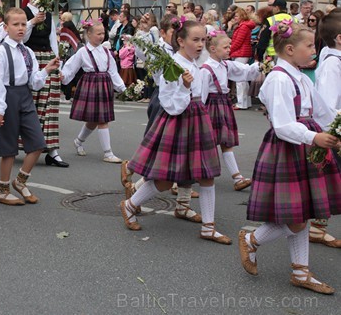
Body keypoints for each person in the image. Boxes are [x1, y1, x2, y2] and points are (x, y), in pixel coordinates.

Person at [239, 20, 340, 294]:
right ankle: (252, 239)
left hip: (304, 146)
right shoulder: (280, 78)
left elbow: (320, 111)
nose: (314, 50)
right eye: (310, 46)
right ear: (291, 49)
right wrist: (314, 137)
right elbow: (283, 125)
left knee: (303, 212)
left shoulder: (297, 75)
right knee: (296, 216)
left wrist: (335, 130)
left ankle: (300, 271)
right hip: (288, 148)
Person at [122, 20, 230, 244]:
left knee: (206, 174)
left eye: (203, 40)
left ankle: (209, 227)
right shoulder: (173, 65)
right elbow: (170, 104)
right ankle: (130, 204)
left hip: (197, 118)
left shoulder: (196, 62)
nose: (201, 45)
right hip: (179, 121)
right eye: (195, 40)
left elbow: (203, 94)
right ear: (181, 41)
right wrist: (185, 87)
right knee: (164, 179)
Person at [0, 8, 60, 205]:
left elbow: (33, 82)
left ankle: (20, 181)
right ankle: (2, 190)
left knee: (38, 143)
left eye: (23, 24)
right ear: (6, 27)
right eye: (16, 24)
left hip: (25, 96)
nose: (20, 28)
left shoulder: (27, 52)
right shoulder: (2, 51)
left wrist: (46, 70)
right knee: (8, 148)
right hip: (7, 96)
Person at [201, 31, 261, 191]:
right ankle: (190, 174)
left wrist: (260, 65)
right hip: (211, 107)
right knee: (206, 144)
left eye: (229, 46)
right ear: (213, 49)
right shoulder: (206, 70)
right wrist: (201, 115)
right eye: (226, 47)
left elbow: (245, 71)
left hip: (223, 105)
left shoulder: (226, 65)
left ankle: (237, 178)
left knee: (226, 143)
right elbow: (201, 96)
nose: (229, 49)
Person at [62, 19, 126, 161]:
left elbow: (112, 71)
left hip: (104, 85)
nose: (101, 36)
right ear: (89, 34)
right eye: (98, 33)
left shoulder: (106, 51)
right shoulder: (83, 52)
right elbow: (71, 67)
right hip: (91, 84)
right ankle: (108, 153)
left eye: (103, 33)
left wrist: (122, 87)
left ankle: (78, 141)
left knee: (95, 120)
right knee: (102, 120)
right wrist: (63, 76)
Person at [22, 0, 66, 167]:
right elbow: (20, 37)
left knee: (51, 106)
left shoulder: (48, 15)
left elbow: (52, 40)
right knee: (31, 105)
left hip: (47, 58)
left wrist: (58, 64)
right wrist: (32, 22)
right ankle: (30, 144)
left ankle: (52, 151)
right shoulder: (23, 13)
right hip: (30, 58)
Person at [309, 9, 341, 248]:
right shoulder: (332, 65)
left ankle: (317, 228)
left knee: (331, 183)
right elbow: (329, 106)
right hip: (335, 133)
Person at [229, 7, 256, 110]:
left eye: (236, 16)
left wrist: (229, 51)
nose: (234, 18)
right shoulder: (244, 26)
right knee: (243, 78)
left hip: (241, 53)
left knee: (240, 79)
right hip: (243, 53)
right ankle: (246, 102)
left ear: (241, 16)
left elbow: (237, 42)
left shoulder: (243, 27)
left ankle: (241, 103)